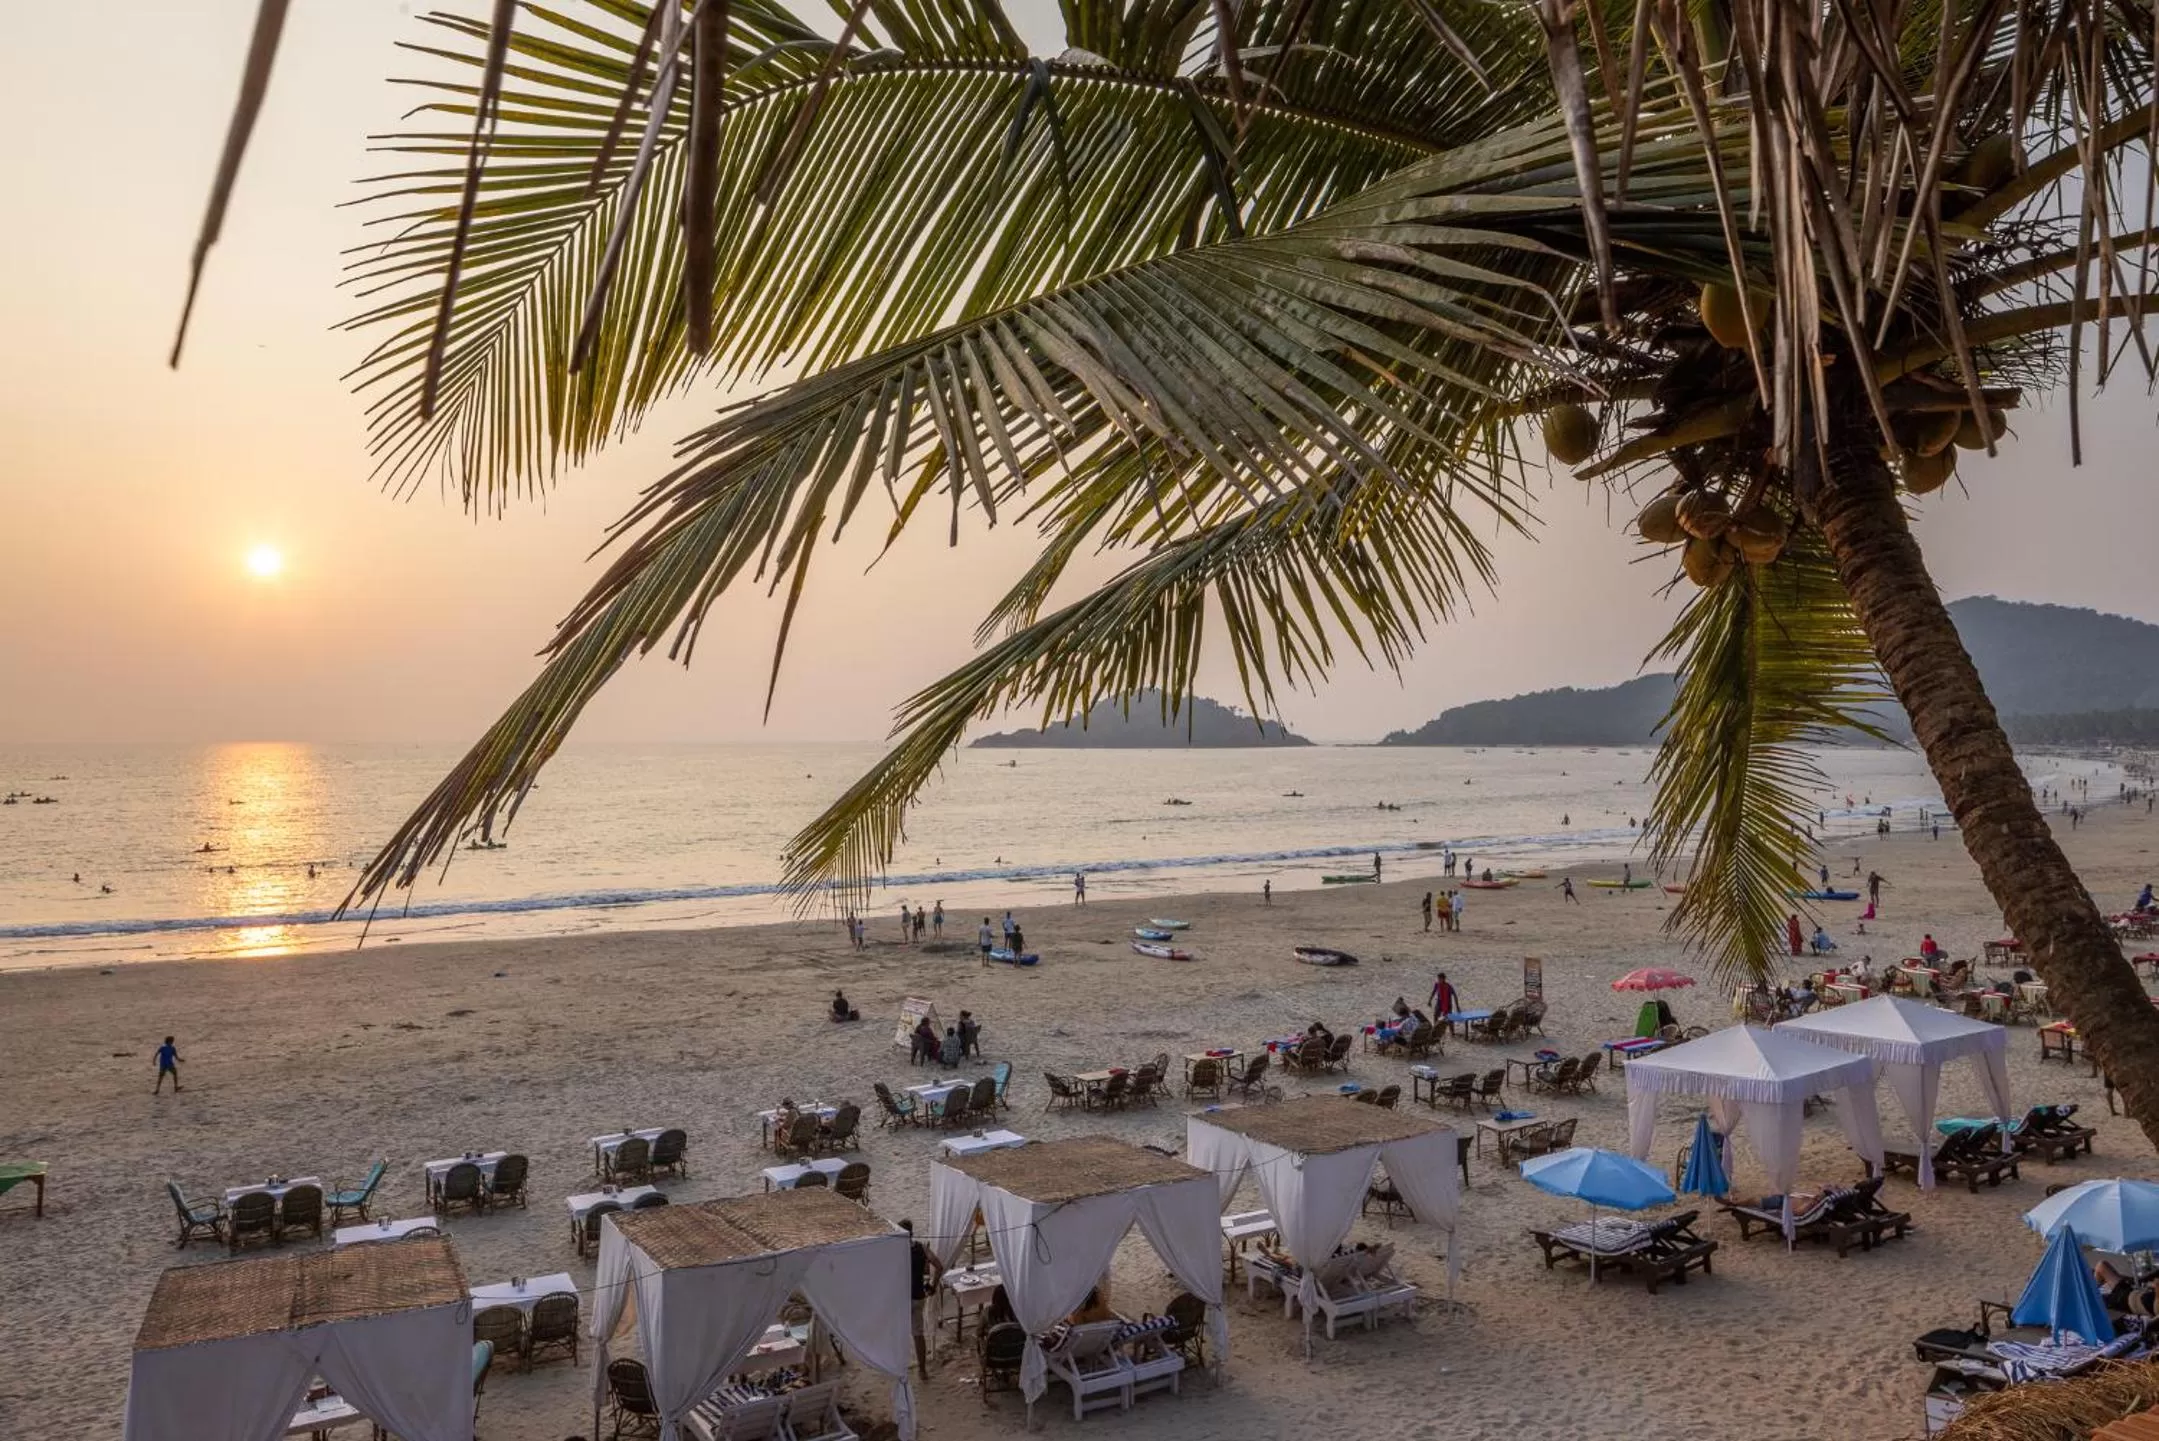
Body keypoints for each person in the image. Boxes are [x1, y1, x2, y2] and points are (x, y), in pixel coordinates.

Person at [901, 1220, 942, 1375]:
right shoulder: (921, 1247)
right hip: (918, 1296)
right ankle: (922, 1370)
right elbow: (939, 1266)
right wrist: (932, 1286)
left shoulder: (895, 1251)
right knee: (918, 1334)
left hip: (902, 1299)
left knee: (899, 1333)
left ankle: (899, 1367)